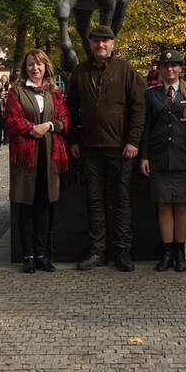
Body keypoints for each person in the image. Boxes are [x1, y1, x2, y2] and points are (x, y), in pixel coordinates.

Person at [65, 25, 146, 272]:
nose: (101, 45)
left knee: (121, 201)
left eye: (106, 42)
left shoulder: (125, 70)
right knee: (94, 201)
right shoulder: (79, 72)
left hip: (120, 149)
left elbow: (138, 106)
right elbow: (71, 110)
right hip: (89, 149)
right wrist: (75, 140)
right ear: (90, 43)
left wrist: (133, 140)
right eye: (97, 41)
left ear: (113, 44)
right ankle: (97, 251)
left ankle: (122, 251)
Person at [3, 49, 71, 273]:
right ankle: (28, 255)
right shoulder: (16, 92)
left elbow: (64, 118)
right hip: (26, 157)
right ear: (26, 68)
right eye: (31, 64)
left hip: (50, 157)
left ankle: (42, 254)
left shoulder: (55, 92)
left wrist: (50, 126)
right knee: (26, 206)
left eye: (39, 64)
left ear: (46, 67)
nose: (36, 68)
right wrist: (33, 129)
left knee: (44, 206)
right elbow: (11, 121)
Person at [139, 49, 186, 272]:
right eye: (166, 66)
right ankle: (167, 254)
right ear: (160, 69)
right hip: (158, 157)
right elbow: (146, 128)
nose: (170, 69)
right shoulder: (151, 94)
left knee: (182, 207)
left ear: (180, 68)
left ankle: (180, 254)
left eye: (174, 65)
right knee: (164, 206)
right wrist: (144, 155)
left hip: (184, 157)